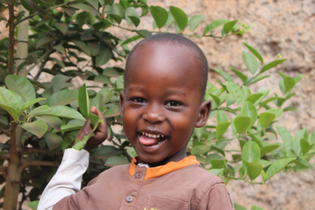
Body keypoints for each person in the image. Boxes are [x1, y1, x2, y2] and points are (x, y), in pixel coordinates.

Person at [38, 33, 233, 210]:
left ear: (201, 114)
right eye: (139, 100)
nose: (152, 115)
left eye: (173, 103)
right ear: (122, 105)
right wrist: (79, 150)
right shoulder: (105, 182)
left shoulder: (204, 190)